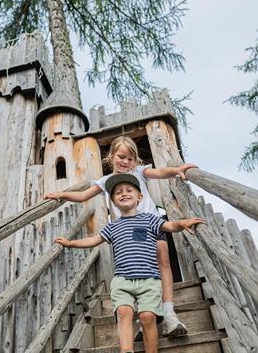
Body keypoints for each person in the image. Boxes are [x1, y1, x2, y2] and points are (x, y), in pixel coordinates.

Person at [45, 136, 197, 337]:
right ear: (111, 156)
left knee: (163, 264)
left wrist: (176, 170)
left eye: (130, 159)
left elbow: (160, 172)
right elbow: (82, 196)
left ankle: (169, 314)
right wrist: (61, 195)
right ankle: (141, 322)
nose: (126, 162)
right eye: (122, 157)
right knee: (133, 273)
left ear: (135, 161)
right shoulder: (106, 181)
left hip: (152, 224)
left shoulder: (140, 172)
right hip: (126, 233)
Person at [55, 174, 204, 353]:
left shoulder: (150, 219)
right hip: (122, 280)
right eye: (118, 193)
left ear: (139, 197)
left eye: (128, 190)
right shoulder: (112, 226)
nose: (123, 194)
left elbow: (171, 226)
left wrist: (183, 222)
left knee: (147, 317)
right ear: (114, 202)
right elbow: (93, 240)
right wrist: (71, 243)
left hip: (149, 280)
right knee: (124, 312)